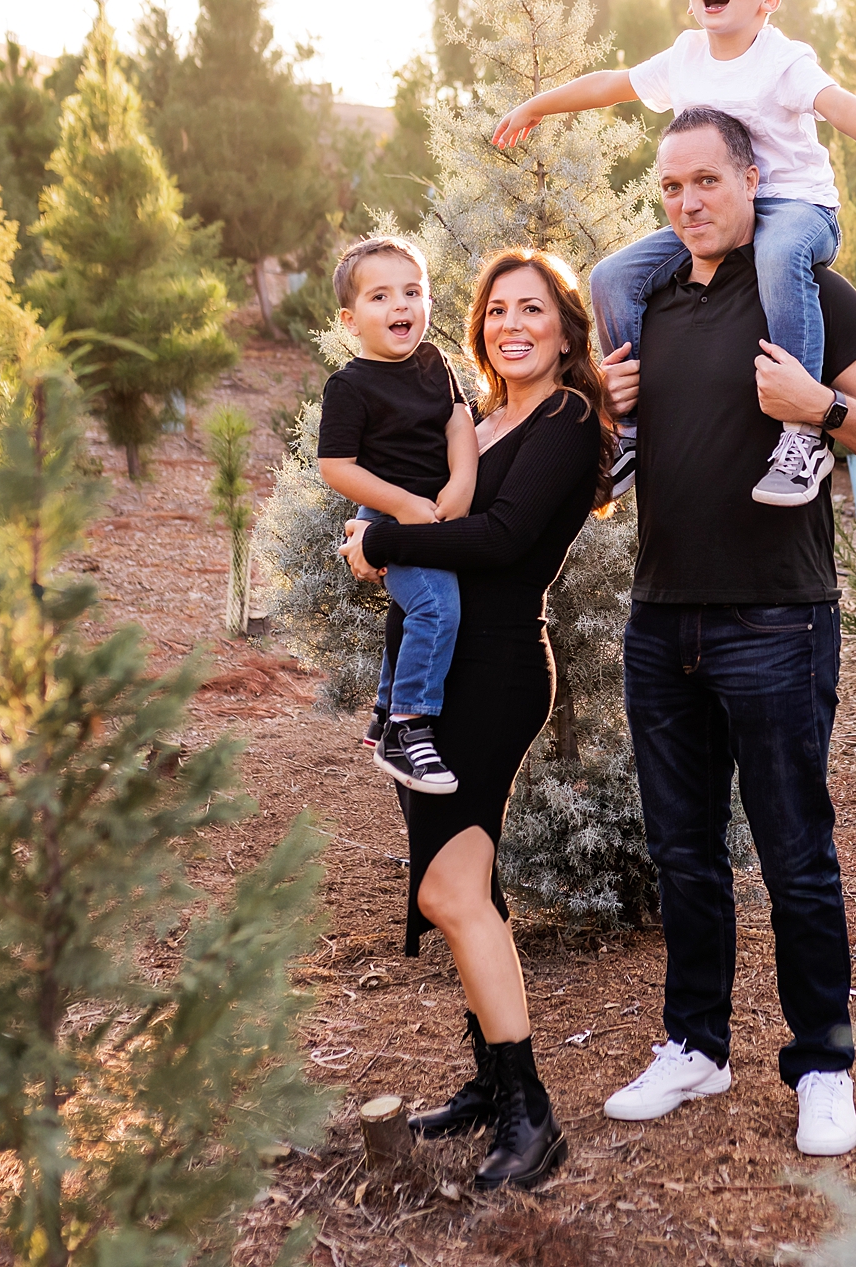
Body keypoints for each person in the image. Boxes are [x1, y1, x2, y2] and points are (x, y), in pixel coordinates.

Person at [594, 108, 856, 1158]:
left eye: (706, 180)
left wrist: (817, 403)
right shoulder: (646, 300)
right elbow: (614, 465)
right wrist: (608, 405)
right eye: (670, 189)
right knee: (683, 852)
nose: (688, 203)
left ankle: (822, 1063)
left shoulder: (809, 294)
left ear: (751, 179)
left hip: (776, 618)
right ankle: (694, 1044)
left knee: (795, 855)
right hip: (662, 619)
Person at [490, 0, 856, 508]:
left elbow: (840, 105)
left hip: (795, 209)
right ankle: (630, 433)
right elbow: (610, 84)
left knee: (778, 253)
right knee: (612, 276)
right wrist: (535, 106)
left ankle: (801, 435)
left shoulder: (781, 61)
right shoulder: (685, 58)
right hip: (723, 213)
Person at [339, 248, 614, 1193]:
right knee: (467, 890)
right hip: (431, 672)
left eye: (533, 309)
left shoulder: (572, 422)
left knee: (452, 892)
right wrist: (384, 533)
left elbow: (498, 542)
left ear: (566, 327)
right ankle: (494, 1083)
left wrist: (383, 539)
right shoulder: (485, 418)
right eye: (497, 311)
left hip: (493, 669)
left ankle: (532, 1114)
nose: (513, 325)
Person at [315, 236, 478, 795]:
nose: (401, 306)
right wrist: (402, 506)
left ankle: (386, 709)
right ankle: (409, 726)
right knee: (436, 609)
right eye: (380, 297)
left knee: (416, 610)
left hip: (438, 506)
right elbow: (335, 467)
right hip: (388, 513)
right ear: (350, 319)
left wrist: (461, 483)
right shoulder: (350, 386)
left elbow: (458, 422)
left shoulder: (435, 362)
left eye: (413, 291)